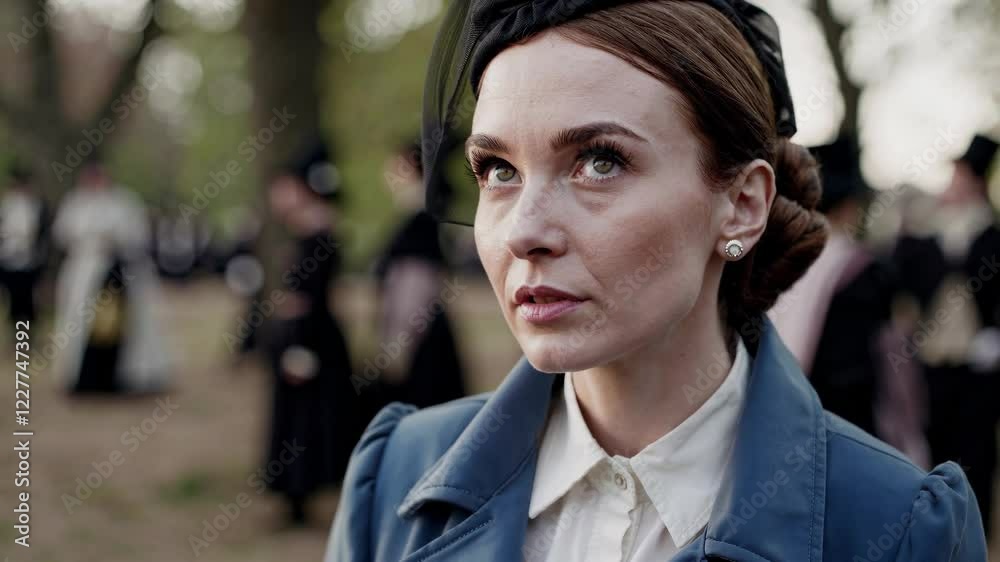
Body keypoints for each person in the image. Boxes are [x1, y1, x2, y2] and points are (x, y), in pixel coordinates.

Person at [325, 1, 988, 560]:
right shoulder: (397, 477)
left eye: (599, 162)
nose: (523, 230)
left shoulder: (895, 527)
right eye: (499, 171)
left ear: (742, 205)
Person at [769, 135, 929, 466]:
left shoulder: (783, 259)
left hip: (794, 410)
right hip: (851, 422)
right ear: (849, 206)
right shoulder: (864, 270)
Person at [891, 133, 999, 536]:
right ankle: (941, 532)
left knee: (977, 451)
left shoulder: (992, 234)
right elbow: (905, 277)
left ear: (973, 181)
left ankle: (976, 533)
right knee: (936, 445)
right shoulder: (928, 235)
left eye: (959, 175)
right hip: (933, 358)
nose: (951, 183)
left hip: (978, 363)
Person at [262, 142, 371, 524]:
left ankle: (303, 494)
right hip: (305, 335)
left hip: (311, 339)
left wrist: (300, 347)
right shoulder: (306, 232)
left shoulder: (319, 234)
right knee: (300, 417)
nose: (276, 197)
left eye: (283, 187)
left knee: (308, 418)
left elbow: (314, 297)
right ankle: (296, 496)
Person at [52, 154, 171, 394]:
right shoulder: (74, 203)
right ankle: (82, 375)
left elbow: (137, 236)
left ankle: (129, 374)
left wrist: (112, 241)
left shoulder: (124, 202)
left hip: (119, 274)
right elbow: (62, 235)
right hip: (83, 274)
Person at [368, 140, 466, 409]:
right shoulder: (420, 219)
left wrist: (397, 344)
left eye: (396, 164)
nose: (387, 173)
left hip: (418, 336)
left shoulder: (421, 223)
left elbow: (416, 289)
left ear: (412, 167)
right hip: (424, 332)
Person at [0, 161, 49, 327]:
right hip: (7, 261)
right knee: (12, 302)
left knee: (28, 302)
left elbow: (42, 236)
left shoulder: (37, 207)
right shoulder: (6, 206)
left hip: (30, 262)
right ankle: (15, 333)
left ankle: (24, 337)